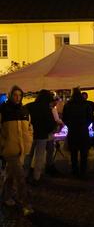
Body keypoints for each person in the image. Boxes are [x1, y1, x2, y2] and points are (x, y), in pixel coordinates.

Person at [0, 85, 34, 215]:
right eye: (15, 95)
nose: (17, 97)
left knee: (10, 174)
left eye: (20, 95)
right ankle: (25, 203)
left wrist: (29, 140)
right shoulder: (3, 110)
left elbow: (30, 127)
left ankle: (6, 196)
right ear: (10, 95)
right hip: (10, 149)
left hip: (22, 148)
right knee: (20, 176)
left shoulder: (24, 110)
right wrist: (3, 144)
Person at [25, 89, 57, 185]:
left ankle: (25, 175)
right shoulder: (47, 109)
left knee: (28, 155)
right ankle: (36, 177)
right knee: (39, 156)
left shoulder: (28, 106)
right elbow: (51, 124)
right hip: (42, 135)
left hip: (30, 135)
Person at [63, 87, 94, 179]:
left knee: (73, 153)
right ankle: (83, 172)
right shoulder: (86, 104)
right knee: (84, 153)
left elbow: (65, 118)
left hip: (73, 132)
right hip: (83, 132)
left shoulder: (68, 105)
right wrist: (85, 125)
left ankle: (75, 171)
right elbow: (91, 118)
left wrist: (70, 125)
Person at [45, 96, 64, 176]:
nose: (57, 103)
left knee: (49, 149)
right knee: (50, 149)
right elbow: (56, 119)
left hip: (47, 131)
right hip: (49, 132)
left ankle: (48, 165)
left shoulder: (50, 108)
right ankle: (49, 166)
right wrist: (62, 123)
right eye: (56, 101)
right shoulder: (52, 109)